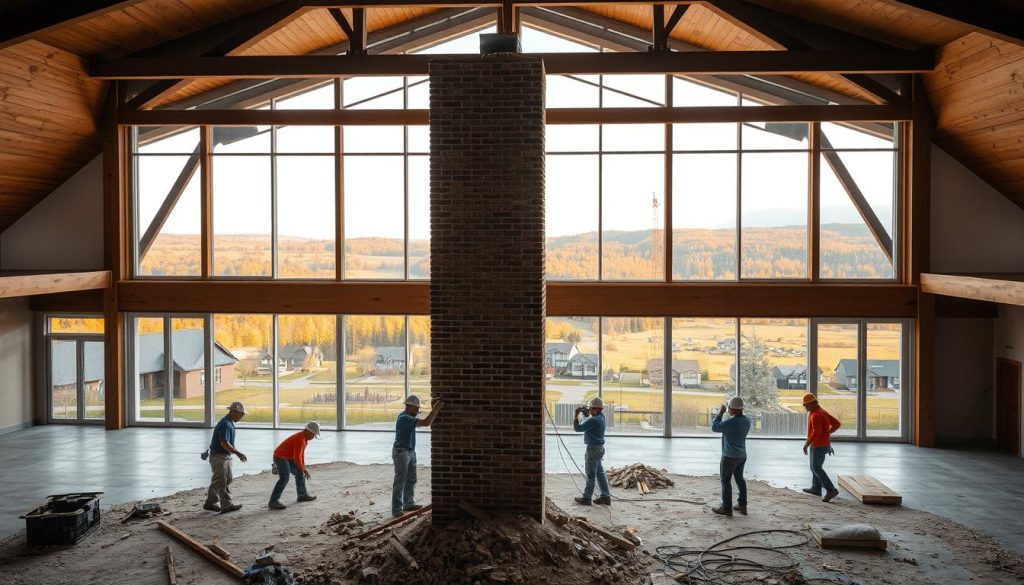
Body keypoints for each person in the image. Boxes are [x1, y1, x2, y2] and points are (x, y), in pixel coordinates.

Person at [392, 395, 445, 518]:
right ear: (409, 407)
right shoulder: (404, 418)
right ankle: (396, 509)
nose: (417, 411)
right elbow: (426, 423)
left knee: (411, 479)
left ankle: (408, 503)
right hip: (401, 452)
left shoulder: (409, 417)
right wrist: (436, 409)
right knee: (400, 481)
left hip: (410, 451)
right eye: (416, 409)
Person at [711, 396, 752, 517]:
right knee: (740, 479)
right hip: (742, 455)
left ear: (733, 409)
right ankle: (742, 505)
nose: (728, 409)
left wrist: (720, 413)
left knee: (726, 481)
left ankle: (726, 508)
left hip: (729, 456)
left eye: (729, 408)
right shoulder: (746, 421)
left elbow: (715, 427)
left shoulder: (731, 422)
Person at [204, 401, 248, 513]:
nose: (241, 417)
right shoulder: (225, 424)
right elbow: (224, 443)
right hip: (219, 457)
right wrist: (238, 453)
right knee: (221, 480)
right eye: (241, 414)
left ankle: (211, 502)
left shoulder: (229, 423)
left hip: (225, 456)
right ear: (233, 412)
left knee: (227, 479)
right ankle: (227, 505)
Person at [268, 421, 321, 510]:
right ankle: (273, 501)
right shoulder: (300, 439)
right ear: (309, 431)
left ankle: (302, 495)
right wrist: (303, 469)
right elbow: (297, 457)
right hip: (280, 457)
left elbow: (301, 455)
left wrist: (303, 468)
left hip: (288, 457)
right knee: (285, 477)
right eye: (314, 435)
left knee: (299, 471)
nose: (313, 437)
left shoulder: (304, 439)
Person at [801, 393, 842, 502]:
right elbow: (837, 424)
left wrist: (806, 444)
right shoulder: (820, 412)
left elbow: (816, 432)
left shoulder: (817, 415)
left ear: (813, 403)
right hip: (821, 444)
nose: (805, 407)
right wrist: (827, 433)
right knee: (814, 467)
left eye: (806, 405)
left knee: (817, 468)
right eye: (804, 405)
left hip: (818, 445)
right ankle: (816, 488)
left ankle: (831, 490)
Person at [573, 396, 611, 506]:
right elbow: (588, 421)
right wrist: (586, 415)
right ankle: (606, 496)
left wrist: (576, 415)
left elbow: (578, 428)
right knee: (600, 474)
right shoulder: (601, 416)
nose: (588, 410)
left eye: (590, 408)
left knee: (590, 475)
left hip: (592, 450)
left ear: (595, 409)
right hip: (599, 449)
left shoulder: (593, 420)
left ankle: (587, 497)